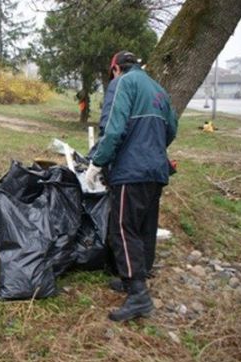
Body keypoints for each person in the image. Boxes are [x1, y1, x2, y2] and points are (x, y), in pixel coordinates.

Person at [86, 51, 178, 322]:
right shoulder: (159, 90)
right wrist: (152, 148)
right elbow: (172, 129)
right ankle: (133, 280)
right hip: (156, 169)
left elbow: (113, 130)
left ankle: (138, 295)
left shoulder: (124, 83)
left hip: (132, 170)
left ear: (116, 69)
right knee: (144, 228)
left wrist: (97, 162)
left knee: (123, 229)